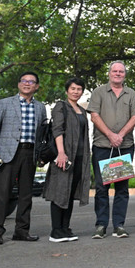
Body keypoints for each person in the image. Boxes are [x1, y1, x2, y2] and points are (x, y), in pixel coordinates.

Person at [0, 71, 47, 244]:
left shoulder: (40, 107)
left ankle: (22, 231)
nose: (27, 84)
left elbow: (42, 133)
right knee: (2, 193)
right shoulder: (4, 103)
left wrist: (42, 154)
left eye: (31, 82)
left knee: (26, 195)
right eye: (24, 81)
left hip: (30, 153)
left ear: (36, 86)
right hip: (7, 153)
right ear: (19, 84)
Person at [87, 61, 135, 239]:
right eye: (114, 71)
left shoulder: (131, 93)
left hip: (124, 147)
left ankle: (119, 225)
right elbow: (94, 116)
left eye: (121, 71)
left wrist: (120, 135)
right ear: (109, 73)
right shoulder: (99, 92)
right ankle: (101, 225)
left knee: (122, 187)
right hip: (103, 146)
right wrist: (111, 135)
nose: (118, 74)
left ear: (125, 74)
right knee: (102, 187)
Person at [43, 77, 92, 242]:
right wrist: (61, 153)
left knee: (70, 193)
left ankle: (65, 228)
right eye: (73, 89)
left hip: (80, 158)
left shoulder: (82, 110)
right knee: (60, 191)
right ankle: (55, 230)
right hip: (64, 156)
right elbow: (57, 130)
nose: (76, 92)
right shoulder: (61, 107)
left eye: (79, 89)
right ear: (67, 91)